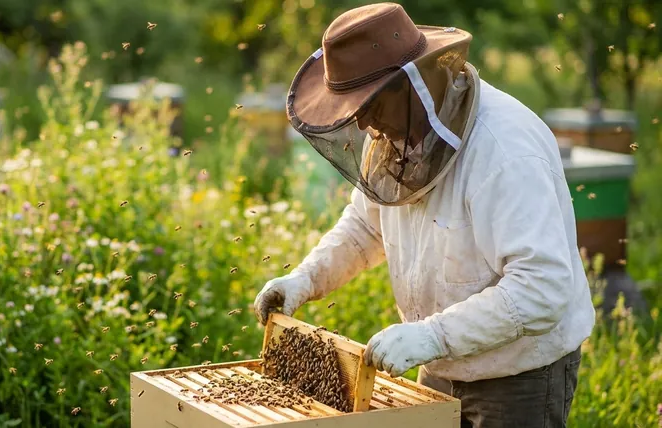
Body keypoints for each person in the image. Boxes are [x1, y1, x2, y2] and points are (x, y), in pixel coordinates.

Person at [253, 3, 595, 427]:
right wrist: (305, 279)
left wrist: (433, 336)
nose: (363, 124)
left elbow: (542, 287)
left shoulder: (504, 150)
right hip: (439, 365)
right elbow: (364, 227)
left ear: (412, 84)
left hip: (518, 375)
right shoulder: (392, 132)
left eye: (370, 103)